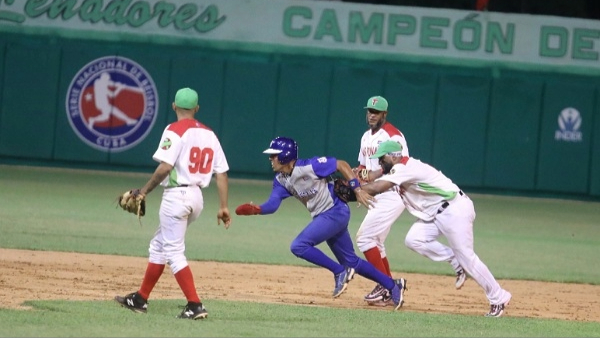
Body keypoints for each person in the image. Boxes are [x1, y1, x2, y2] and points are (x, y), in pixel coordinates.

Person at [235, 136, 407, 310]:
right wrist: (258, 209)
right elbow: (273, 204)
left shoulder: (310, 166)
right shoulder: (281, 179)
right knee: (352, 262)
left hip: (335, 211)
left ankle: (339, 272)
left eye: (274, 155)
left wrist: (356, 188)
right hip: (324, 217)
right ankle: (393, 285)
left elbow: (342, 165)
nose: (270, 159)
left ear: (286, 155)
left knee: (299, 246)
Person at [114, 87, 232, 320]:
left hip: (177, 197)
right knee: (159, 245)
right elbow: (222, 174)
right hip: (197, 198)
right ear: (197, 109)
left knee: (174, 251)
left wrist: (144, 191)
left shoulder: (173, 130)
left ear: (174, 106)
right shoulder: (210, 134)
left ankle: (195, 305)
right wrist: (223, 206)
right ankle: (140, 299)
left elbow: (165, 167)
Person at [360, 140, 512, 317]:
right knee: (414, 239)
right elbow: (376, 178)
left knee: (468, 258)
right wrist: (358, 182)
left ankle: (498, 297)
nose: (379, 162)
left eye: (382, 158)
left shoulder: (404, 167)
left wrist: (355, 190)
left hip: (455, 211)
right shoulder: (397, 168)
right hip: (437, 214)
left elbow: (378, 186)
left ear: (393, 156)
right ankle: (455, 260)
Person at [355, 96, 466, 306]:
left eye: (375, 112)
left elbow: (399, 168)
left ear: (384, 114)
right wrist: (358, 178)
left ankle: (386, 286)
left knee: (365, 239)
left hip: (391, 193)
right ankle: (389, 287)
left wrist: (366, 183)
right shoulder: (365, 137)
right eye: (369, 110)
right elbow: (362, 167)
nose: (371, 115)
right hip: (376, 194)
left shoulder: (393, 136)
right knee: (375, 242)